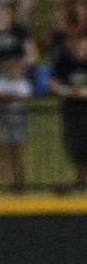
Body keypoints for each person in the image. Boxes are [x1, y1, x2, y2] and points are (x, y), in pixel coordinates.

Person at [49, 34, 87, 192]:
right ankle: (79, 180)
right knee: (76, 147)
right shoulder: (63, 61)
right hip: (72, 110)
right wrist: (69, 91)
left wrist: (84, 92)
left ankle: (80, 181)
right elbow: (53, 84)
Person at [0, 57, 32, 194]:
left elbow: (22, 96)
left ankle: (20, 183)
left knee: (19, 153)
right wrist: (10, 97)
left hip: (19, 122)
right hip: (3, 121)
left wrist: (4, 97)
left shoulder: (24, 83)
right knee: (4, 153)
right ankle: (5, 182)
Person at [0, 2, 37, 72]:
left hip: (19, 67)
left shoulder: (20, 30)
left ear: (9, 15)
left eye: (3, 14)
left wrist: (20, 65)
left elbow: (31, 53)